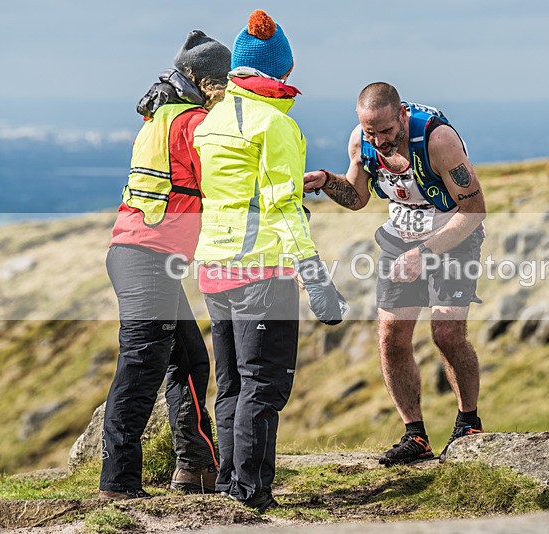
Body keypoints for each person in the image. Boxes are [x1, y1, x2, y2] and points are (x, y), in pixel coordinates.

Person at [193, 9, 346, 512]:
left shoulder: (211, 121)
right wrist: (317, 279)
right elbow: (280, 207)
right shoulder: (274, 124)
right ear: (279, 70)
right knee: (265, 382)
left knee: (233, 380)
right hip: (262, 270)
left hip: (215, 266)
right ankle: (250, 491)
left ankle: (228, 482)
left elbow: (237, 191)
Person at [304, 82, 487, 465]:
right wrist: (327, 180)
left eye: (386, 131)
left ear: (402, 113)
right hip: (398, 241)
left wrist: (425, 251)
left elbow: (474, 211)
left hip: (453, 237)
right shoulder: (362, 140)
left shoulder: (438, 141)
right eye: (371, 132)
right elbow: (357, 197)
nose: (379, 140)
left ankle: (469, 423)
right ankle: (415, 437)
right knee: (391, 336)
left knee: (447, 333)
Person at [99, 31, 231, 500]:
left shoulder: (163, 113)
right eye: (223, 84)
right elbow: (226, 179)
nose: (227, 92)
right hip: (148, 259)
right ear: (207, 83)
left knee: (190, 360)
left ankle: (195, 467)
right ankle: (118, 483)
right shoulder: (193, 123)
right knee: (141, 368)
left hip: (141, 256)